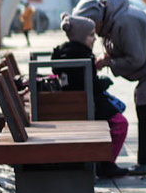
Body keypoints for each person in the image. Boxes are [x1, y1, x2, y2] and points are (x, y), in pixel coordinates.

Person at [73, 0, 146, 175]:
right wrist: (108, 58)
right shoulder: (114, 18)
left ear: (98, 20)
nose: (94, 35)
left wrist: (110, 62)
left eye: (93, 29)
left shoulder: (124, 21)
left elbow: (136, 59)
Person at [53, 14, 130, 178]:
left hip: (74, 104)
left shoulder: (64, 53)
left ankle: (103, 161)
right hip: (85, 105)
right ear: (80, 37)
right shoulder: (81, 56)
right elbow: (88, 85)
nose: (94, 39)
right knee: (120, 123)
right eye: (90, 35)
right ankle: (106, 163)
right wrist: (104, 82)